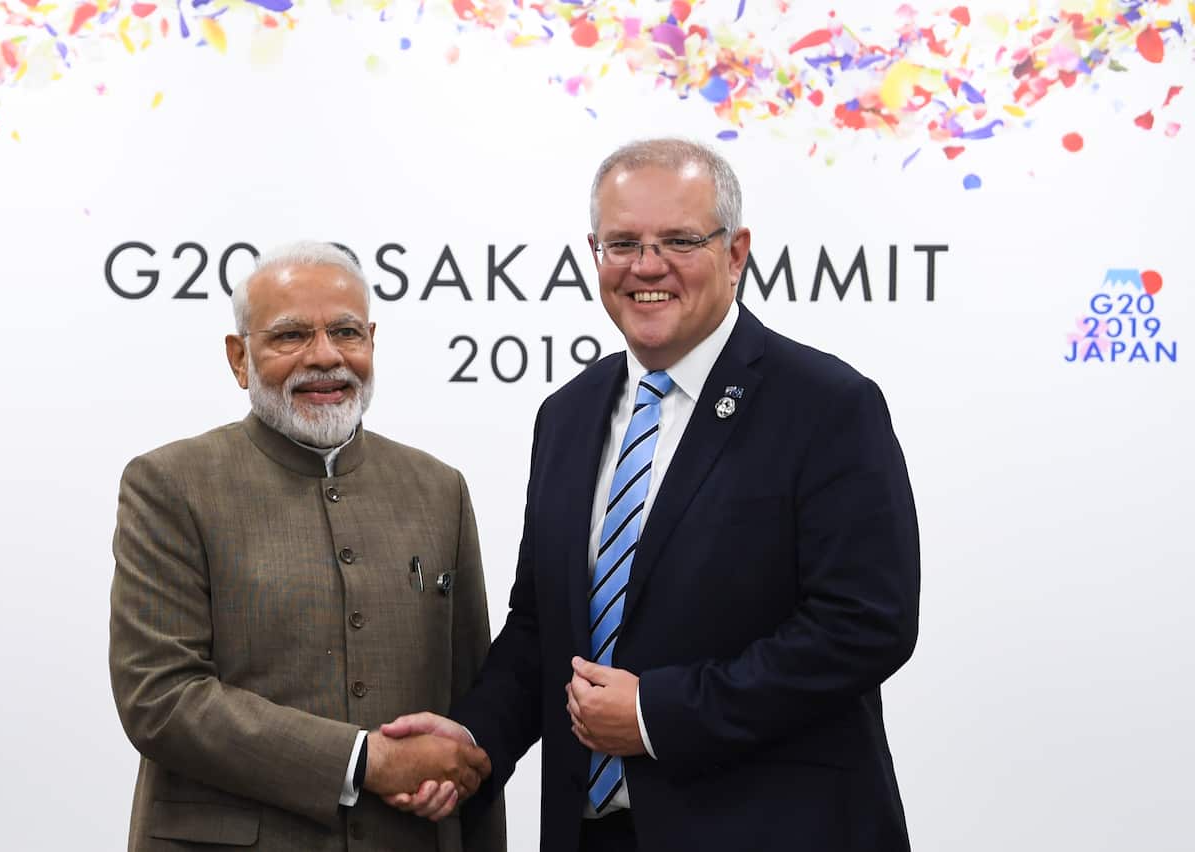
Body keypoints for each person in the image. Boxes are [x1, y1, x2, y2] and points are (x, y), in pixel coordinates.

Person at [384, 139, 920, 851]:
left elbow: (865, 624)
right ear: (594, 254)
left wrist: (657, 715)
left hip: (773, 828)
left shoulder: (826, 405)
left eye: (679, 240)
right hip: (595, 832)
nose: (646, 266)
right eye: (622, 243)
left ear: (736, 253)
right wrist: (475, 737)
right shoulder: (568, 415)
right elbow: (545, 623)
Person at [109, 241, 505, 852]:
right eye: (290, 336)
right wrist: (363, 760)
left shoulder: (438, 489)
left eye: (346, 332)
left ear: (372, 340)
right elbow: (160, 696)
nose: (325, 358)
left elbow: (470, 712)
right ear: (239, 358)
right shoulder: (171, 484)